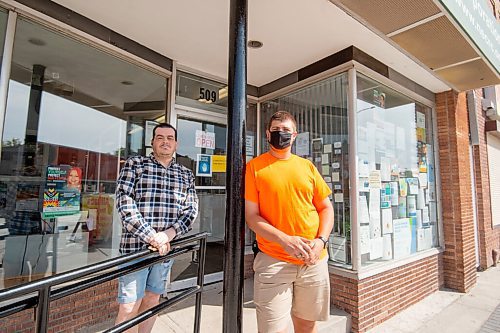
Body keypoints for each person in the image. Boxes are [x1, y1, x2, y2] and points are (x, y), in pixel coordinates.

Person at [245, 111, 334, 333]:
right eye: (276, 130)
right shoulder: (255, 167)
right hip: (274, 261)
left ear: (294, 135)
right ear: (267, 134)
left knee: (306, 325)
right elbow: (252, 217)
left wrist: (321, 242)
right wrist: (285, 240)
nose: (281, 134)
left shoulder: (308, 167)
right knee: (272, 329)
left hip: (313, 260)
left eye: (286, 131)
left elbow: (326, 208)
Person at [115, 123, 198, 333]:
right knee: (128, 306)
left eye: (170, 138)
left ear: (176, 144)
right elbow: (124, 202)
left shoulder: (185, 174)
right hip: (135, 249)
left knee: (153, 299)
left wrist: (168, 235)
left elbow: (191, 211)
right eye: (160, 137)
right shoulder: (135, 164)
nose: (165, 141)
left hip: (164, 251)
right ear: (152, 142)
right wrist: (152, 236)